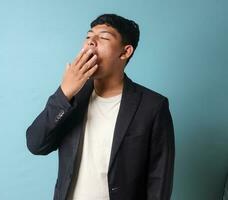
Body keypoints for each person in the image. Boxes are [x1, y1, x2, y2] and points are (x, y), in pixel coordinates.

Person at [26, 13, 175, 200]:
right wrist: (64, 93)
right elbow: (36, 145)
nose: (91, 42)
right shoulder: (71, 98)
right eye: (88, 37)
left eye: (103, 37)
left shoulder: (153, 106)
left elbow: (159, 180)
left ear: (125, 52)